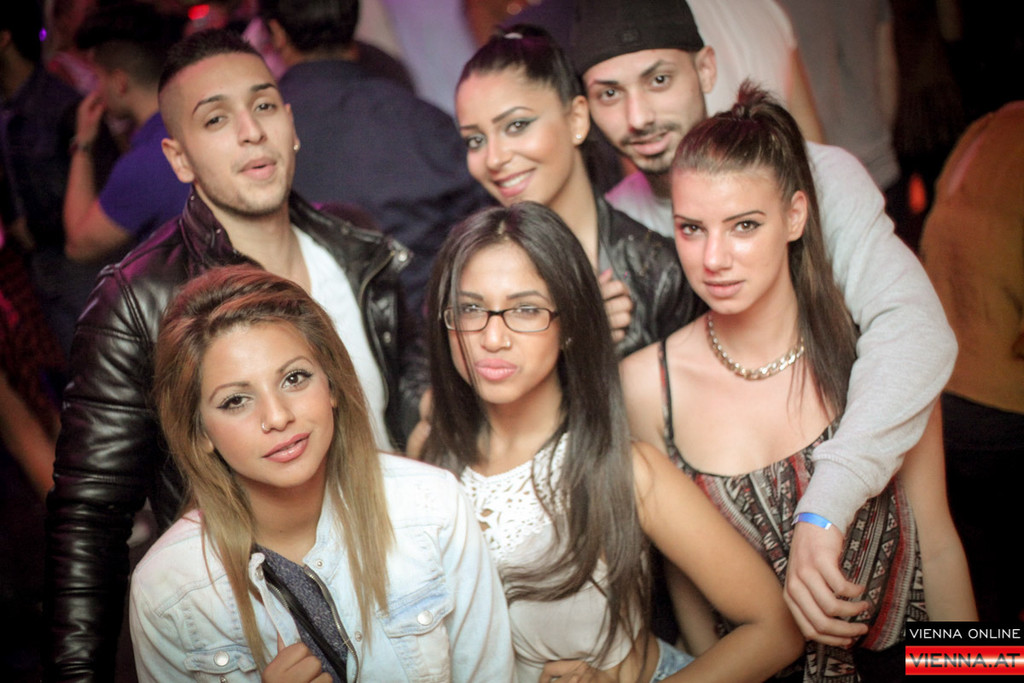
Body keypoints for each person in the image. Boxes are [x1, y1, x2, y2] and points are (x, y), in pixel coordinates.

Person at [570, 0, 957, 643]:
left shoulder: (868, 359)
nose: (637, 116)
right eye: (610, 92)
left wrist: (824, 509)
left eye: (658, 79)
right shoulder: (613, 244)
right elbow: (687, 588)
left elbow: (916, 339)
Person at [45, 28, 426, 681]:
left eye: (265, 105)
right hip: (262, 618)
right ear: (179, 157)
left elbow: (404, 390)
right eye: (216, 119)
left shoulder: (355, 239)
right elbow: (90, 516)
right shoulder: (141, 299)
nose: (251, 131)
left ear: (291, 126)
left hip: (404, 571)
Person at [621, 85, 975, 680]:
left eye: (743, 225)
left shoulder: (876, 354)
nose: (714, 258)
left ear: (795, 216)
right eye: (691, 228)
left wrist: (982, 668)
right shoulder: (647, 385)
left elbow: (936, 547)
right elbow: (689, 593)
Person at [421, 202, 804, 682]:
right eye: (471, 309)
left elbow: (776, 629)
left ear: (569, 324)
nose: (492, 337)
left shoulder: (623, 469)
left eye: (526, 309)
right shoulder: (430, 459)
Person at [131, 265, 513, 682]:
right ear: (200, 432)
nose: (278, 417)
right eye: (236, 400)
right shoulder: (167, 589)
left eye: (294, 378)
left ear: (331, 384)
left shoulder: (433, 506)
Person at [455, 26, 697, 357]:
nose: (494, 159)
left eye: (516, 125)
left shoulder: (656, 271)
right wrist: (566, 339)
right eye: (475, 140)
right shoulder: (470, 276)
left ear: (577, 119)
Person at [260, 0, 491, 315]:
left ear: (276, 33)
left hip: (321, 331)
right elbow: (484, 222)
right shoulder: (421, 119)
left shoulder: (262, 139)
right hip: (437, 320)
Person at [919, 101, 1024, 623]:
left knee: (969, 583)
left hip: (941, 398)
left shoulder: (984, 130)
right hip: (1006, 408)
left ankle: (970, 660)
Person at [62, 2, 191, 264]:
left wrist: (83, 144)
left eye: (98, 78)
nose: (96, 90)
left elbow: (78, 245)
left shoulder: (144, 164)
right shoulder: (197, 120)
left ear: (120, 83)